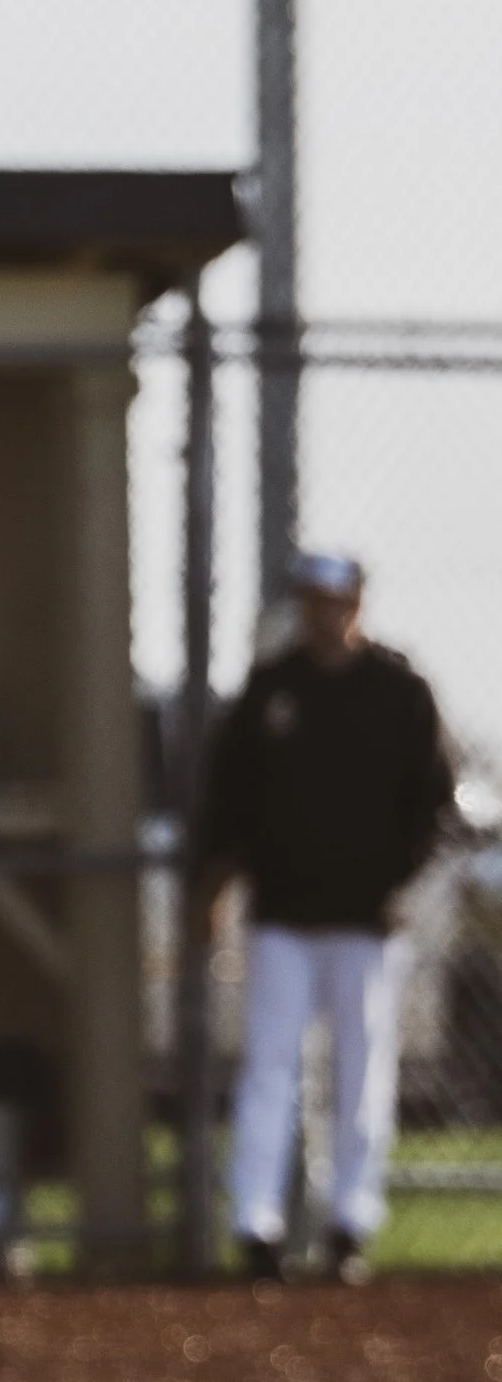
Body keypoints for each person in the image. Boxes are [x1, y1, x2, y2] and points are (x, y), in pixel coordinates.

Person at [193, 547, 454, 1284]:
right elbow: (230, 800)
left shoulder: (398, 690)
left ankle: (350, 1224)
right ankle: (255, 1225)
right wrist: (214, 884)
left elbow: (432, 801)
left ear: (359, 605)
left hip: (368, 920)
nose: (325, 614)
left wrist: (398, 881)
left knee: (359, 1070)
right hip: (282, 913)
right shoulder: (273, 689)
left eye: (337, 601)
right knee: (271, 1066)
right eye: (312, 600)